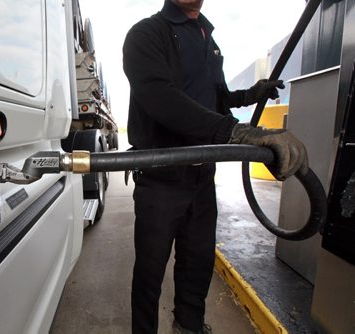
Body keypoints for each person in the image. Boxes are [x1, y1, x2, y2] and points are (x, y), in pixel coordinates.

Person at [122, 0, 308, 333]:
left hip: (202, 175)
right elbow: (160, 97)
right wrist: (237, 132)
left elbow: (216, 98)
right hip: (161, 177)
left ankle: (189, 327)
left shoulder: (208, 38)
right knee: (150, 273)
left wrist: (253, 93)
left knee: (198, 264)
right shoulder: (147, 33)